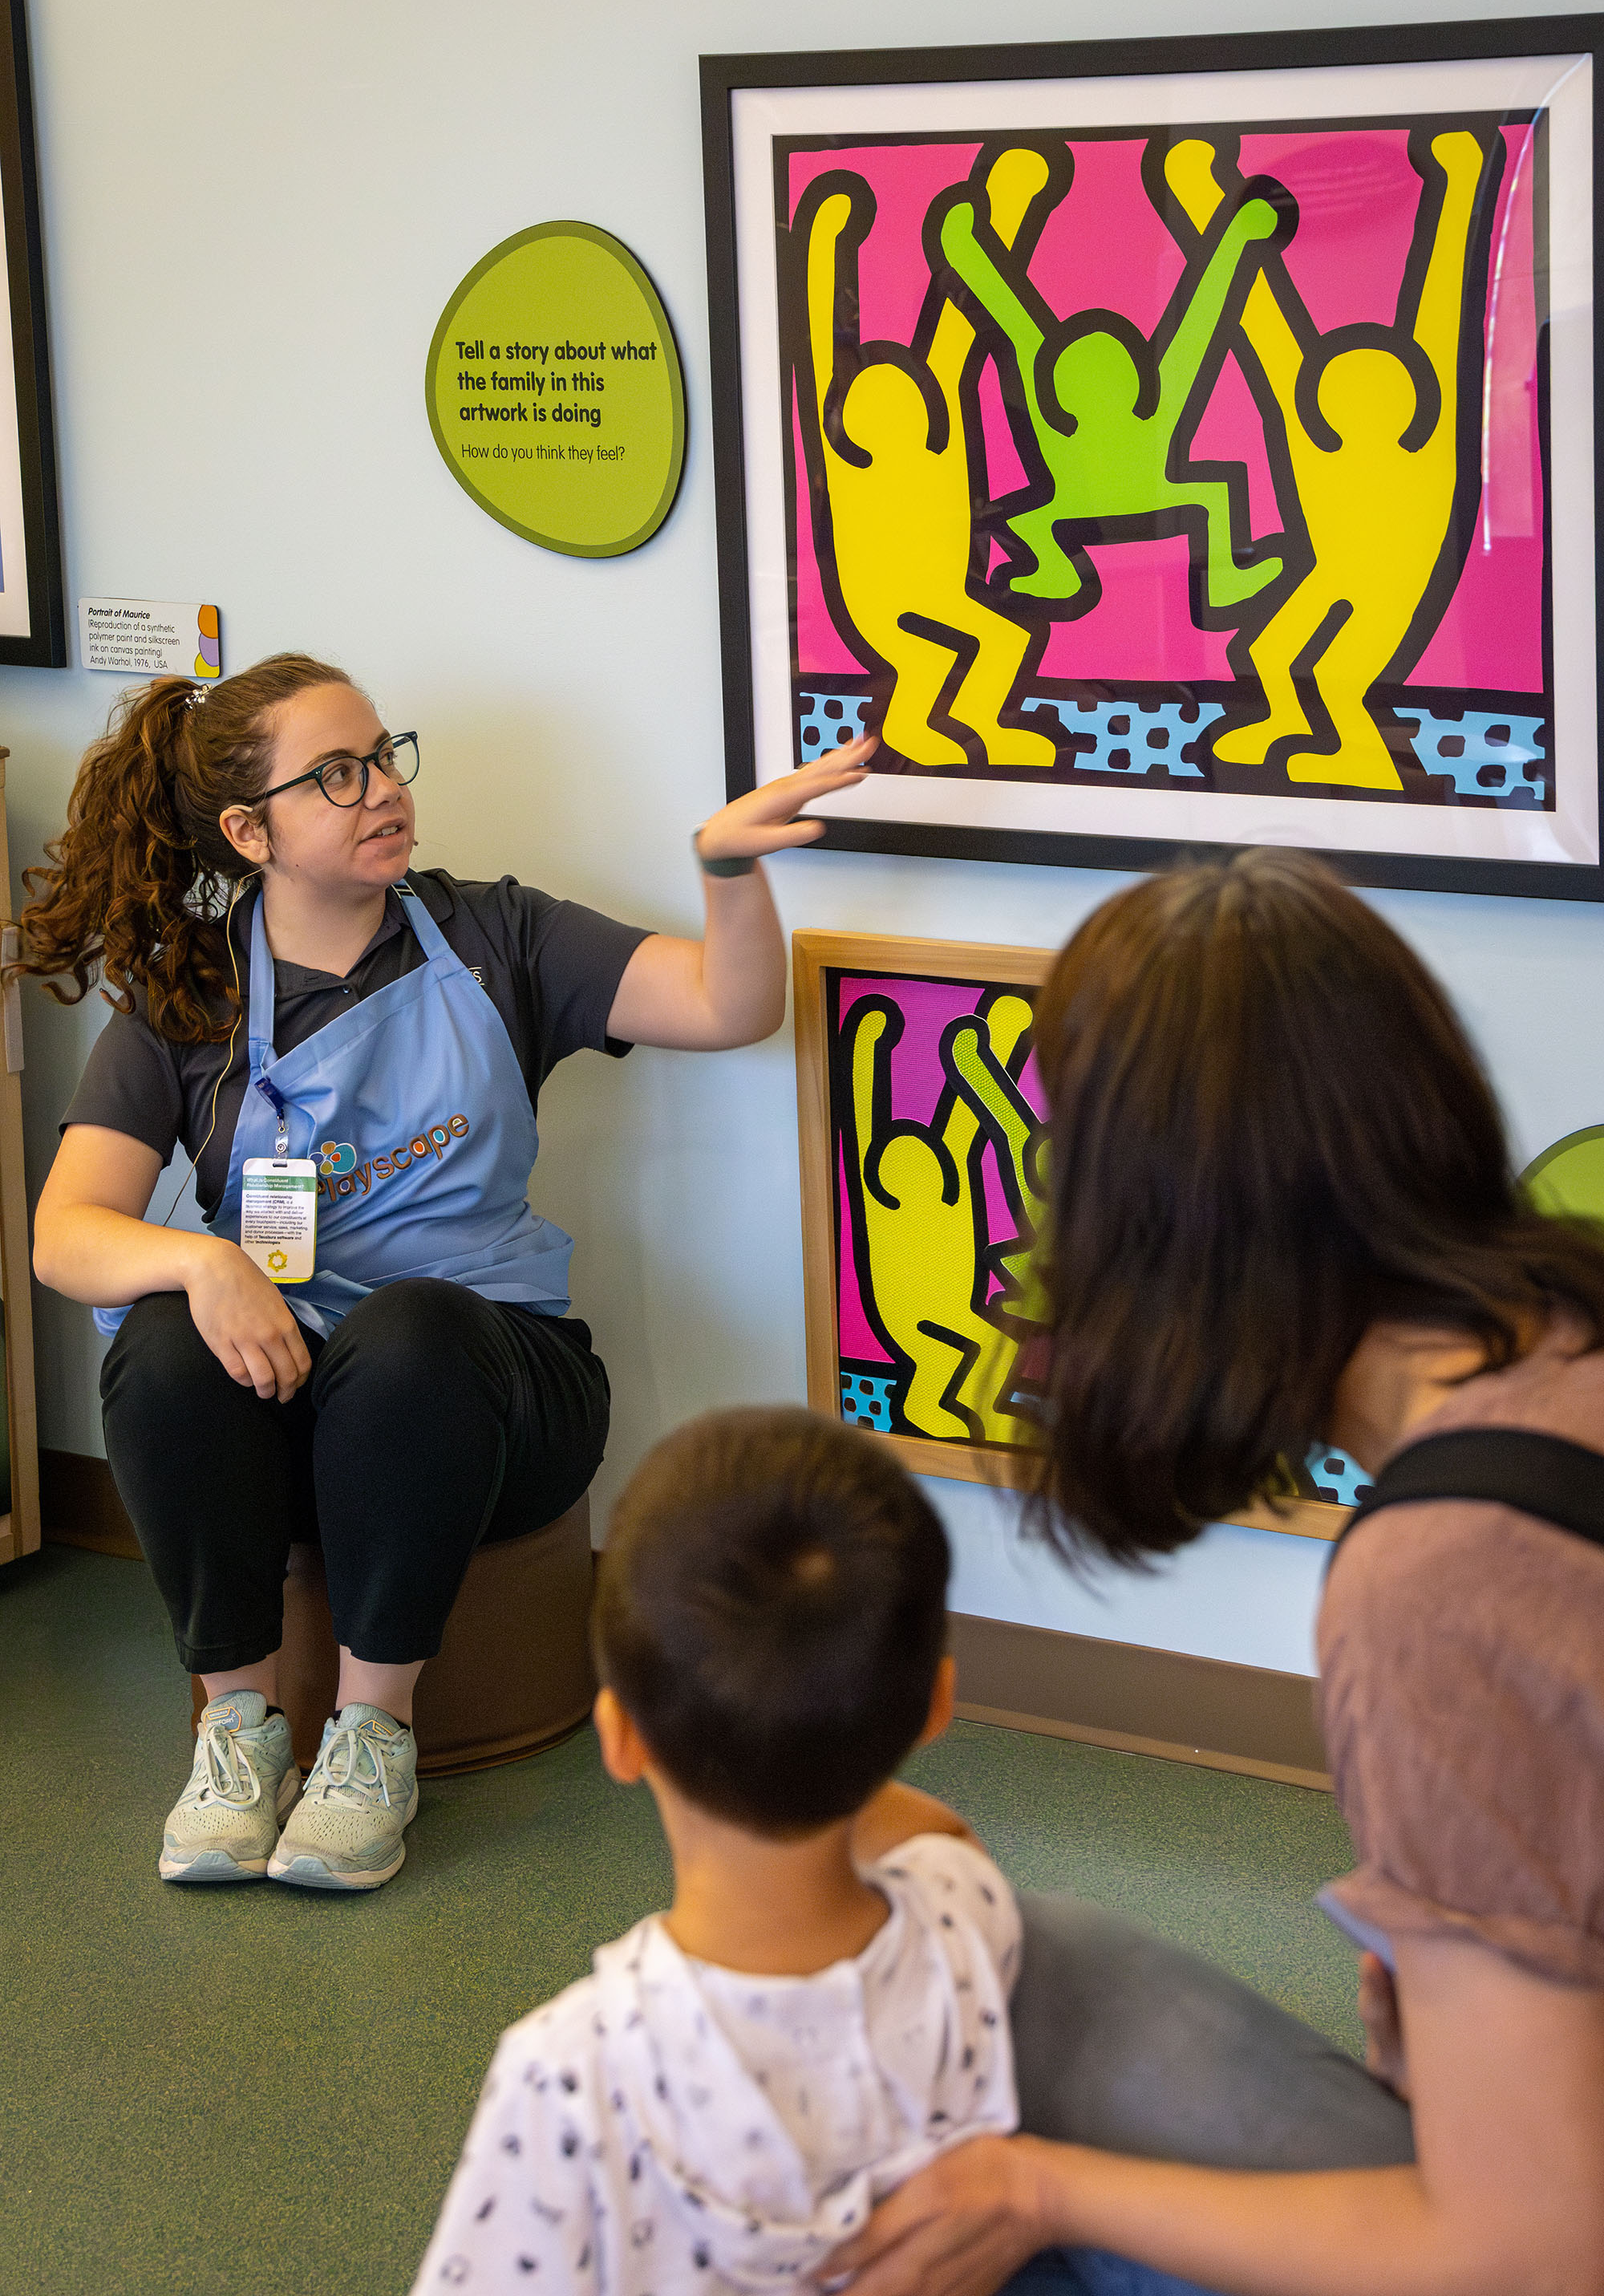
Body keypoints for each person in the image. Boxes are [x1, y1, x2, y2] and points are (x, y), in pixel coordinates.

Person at [827, 848, 1604, 2296]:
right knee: (1020, 1966)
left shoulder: (1438, 1579)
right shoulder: (1570, 1319)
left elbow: (1532, 2254)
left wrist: (1039, 2187)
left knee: (993, 2117)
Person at [25, 655, 872, 1895]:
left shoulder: (496, 932)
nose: (382, 791)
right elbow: (67, 1232)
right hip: (291, 1389)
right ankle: (237, 1735)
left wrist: (729, 872)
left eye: (382, 755)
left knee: (413, 1329)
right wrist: (204, 1264)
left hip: (493, 1382)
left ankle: (374, 1741)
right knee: (157, 1335)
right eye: (335, 775)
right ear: (251, 830)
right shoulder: (189, 990)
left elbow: (727, 1003)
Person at [407, 1406, 1023, 2294]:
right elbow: (941, 1838)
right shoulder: (963, 1921)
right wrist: (826, 1741)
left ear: (619, 1737)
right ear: (935, 1705)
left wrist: (756, 1730)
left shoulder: (570, 2071)